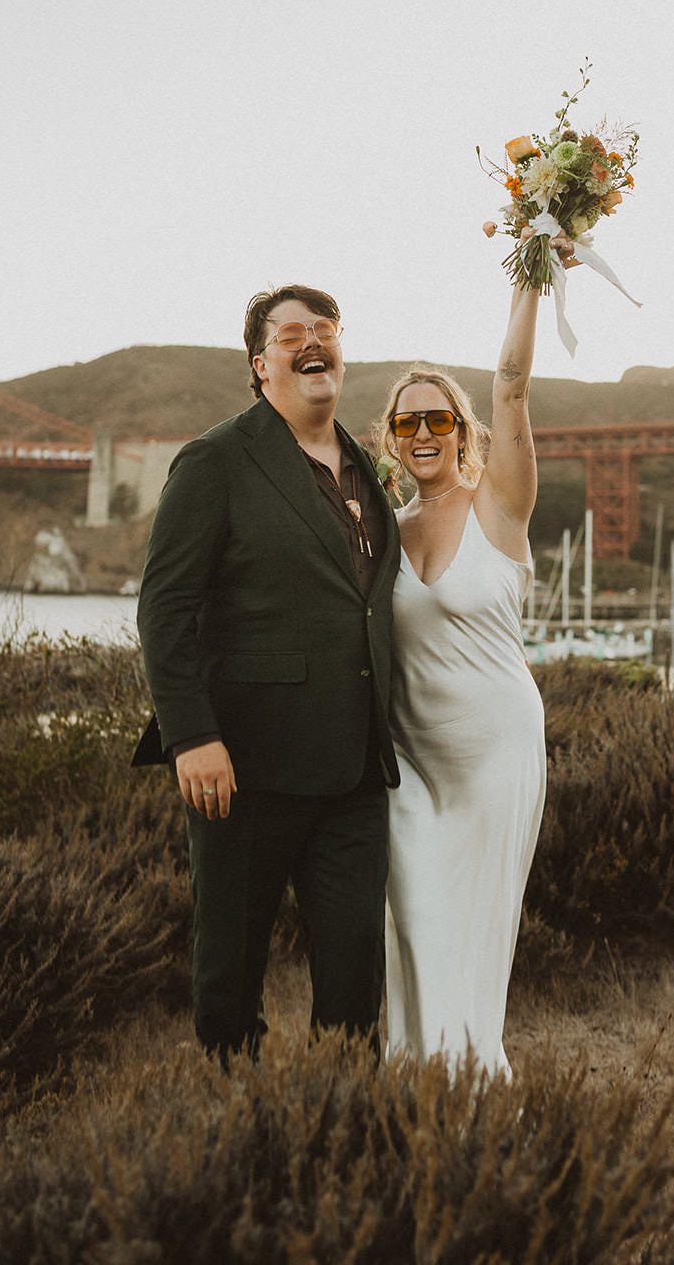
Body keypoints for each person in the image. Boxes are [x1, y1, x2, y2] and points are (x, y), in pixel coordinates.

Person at [132, 285, 401, 1063]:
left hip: (355, 769)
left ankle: (343, 1125)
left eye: (325, 330)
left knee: (354, 977)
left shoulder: (364, 464)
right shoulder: (216, 459)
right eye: (291, 334)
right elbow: (165, 608)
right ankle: (231, 1124)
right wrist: (192, 737)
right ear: (261, 365)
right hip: (244, 764)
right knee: (231, 970)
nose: (312, 341)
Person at [380, 269, 566, 1075]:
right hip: (410, 765)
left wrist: (534, 268)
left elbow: (514, 386)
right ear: (389, 437)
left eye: (439, 418)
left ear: (462, 431)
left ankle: (471, 1100)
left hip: (496, 754)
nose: (424, 431)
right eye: (406, 420)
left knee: (474, 940)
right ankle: (410, 1089)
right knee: (415, 922)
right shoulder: (380, 531)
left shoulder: (500, 504)